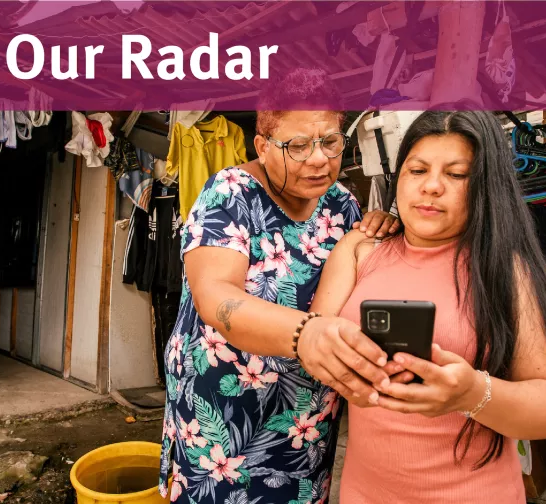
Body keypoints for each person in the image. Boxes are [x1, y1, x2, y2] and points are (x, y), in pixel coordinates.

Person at [308, 110, 546, 503]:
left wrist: (472, 393)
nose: (431, 187)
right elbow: (314, 341)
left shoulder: (509, 272)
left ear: (487, 187)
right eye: (417, 170)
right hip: (365, 492)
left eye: (456, 175)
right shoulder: (360, 249)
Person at [158, 68, 399, 504]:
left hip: (304, 425)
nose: (318, 159)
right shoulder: (229, 195)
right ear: (263, 146)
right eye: (298, 146)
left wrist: (383, 231)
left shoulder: (342, 203)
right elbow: (217, 298)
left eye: (330, 141)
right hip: (221, 425)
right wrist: (306, 333)